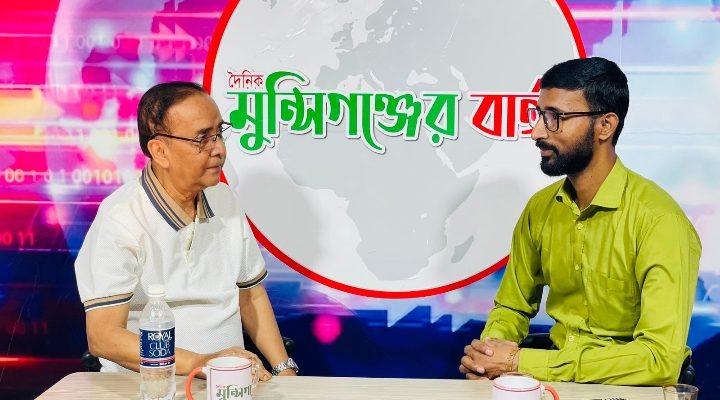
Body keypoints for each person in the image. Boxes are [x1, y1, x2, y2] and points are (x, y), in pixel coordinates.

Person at [459, 57, 701, 385]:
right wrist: (489, 358)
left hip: (628, 389)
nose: (536, 132)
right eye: (539, 114)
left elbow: (660, 359)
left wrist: (520, 362)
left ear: (605, 126)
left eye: (555, 118)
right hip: (548, 383)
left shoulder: (660, 222)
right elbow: (511, 308)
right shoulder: (540, 209)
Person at [74, 81, 298, 379]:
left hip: (228, 383)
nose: (219, 149)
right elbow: (103, 337)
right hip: (147, 386)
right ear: (160, 151)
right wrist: (199, 363)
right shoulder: (121, 218)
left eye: (219, 133)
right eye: (202, 139)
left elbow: (251, 296)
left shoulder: (225, 200)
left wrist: (284, 370)